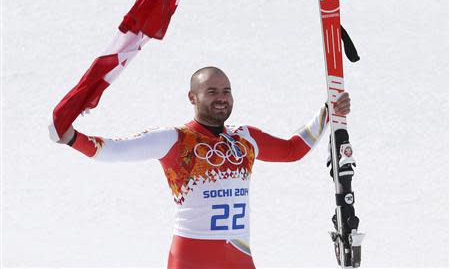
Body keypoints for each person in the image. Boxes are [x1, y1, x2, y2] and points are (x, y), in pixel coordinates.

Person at [57, 66, 351, 269]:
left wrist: (328, 112)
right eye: (211, 91)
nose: (221, 97)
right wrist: (72, 138)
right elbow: (113, 150)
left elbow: (291, 150)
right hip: (192, 256)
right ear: (192, 97)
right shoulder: (174, 139)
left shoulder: (244, 137)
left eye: (226, 90)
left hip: (238, 254)